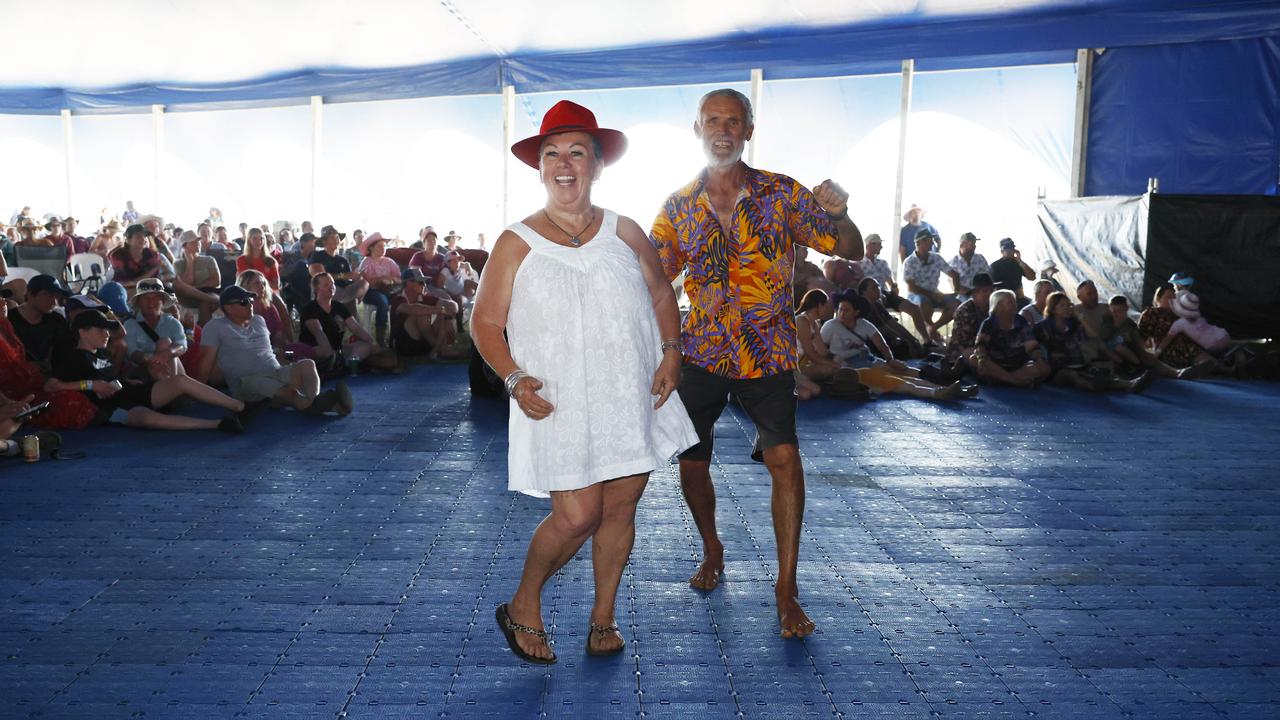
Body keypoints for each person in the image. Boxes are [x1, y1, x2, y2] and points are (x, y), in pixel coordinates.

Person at [472, 100, 697, 665]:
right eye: (552, 154)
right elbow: (484, 322)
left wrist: (672, 351)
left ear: (598, 164)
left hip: (629, 392)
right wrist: (513, 376)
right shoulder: (516, 241)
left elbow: (662, 292)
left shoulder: (625, 231)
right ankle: (524, 603)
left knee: (621, 509)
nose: (563, 164)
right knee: (577, 514)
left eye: (577, 152)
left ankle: (603, 619)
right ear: (540, 167)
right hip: (557, 400)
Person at [651, 88, 864, 640]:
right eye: (712, 120)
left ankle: (786, 588)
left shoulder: (782, 193)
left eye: (734, 120)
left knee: (786, 460)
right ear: (697, 129)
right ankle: (712, 546)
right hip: (700, 352)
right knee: (692, 464)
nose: (723, 129)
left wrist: (841, 211)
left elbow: (849, 247)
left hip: (768, 351)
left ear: (749, 130)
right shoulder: (676, 206)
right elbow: (650, 275)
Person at [48, 309, 248, 432]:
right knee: (146, 419)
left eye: (107, 329)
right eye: (100, 329)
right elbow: (51, 387)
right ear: (82, 332)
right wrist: (90, 385)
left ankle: (240, 407)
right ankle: (217, 424)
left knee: (180, 381)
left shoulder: (102, 354)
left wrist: (123, 379)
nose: (107, 333)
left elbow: (108, 375)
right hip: (112, 408)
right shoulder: (74, 357)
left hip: (129, 392)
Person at [196, 285, 350, 417]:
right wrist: (198, 395)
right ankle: (321, 404)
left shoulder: (258, 320)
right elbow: (205, 364)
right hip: (247, 381)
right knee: (290, 393)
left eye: (250, 300)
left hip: (275, 371)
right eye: (243, 302)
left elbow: (269, 351)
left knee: (308, 364)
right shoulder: (215, 327)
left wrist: (289, 357)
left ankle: (316, 401)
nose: (250, 304)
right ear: (228, 308)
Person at [820, 294, 975, 401]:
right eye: (840, 309)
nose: (841, 313)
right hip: (852, 367)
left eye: (846, 309)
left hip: (868, 359)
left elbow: (881, 344)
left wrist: (890, 360)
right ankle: (936, 392)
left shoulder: (863, 324)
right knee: (902, 380)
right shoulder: (830, 326)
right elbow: (820, 349)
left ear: (856, 312)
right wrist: (834, 365)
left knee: (908, 370)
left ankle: (949, 385)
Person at [1036, 292, 1153, 393]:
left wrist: (1080, 318)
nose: (1067, 308)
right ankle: (1091, 386)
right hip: (1057, 369)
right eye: (1062, 306)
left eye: (1068, 305)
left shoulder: (1073, 324)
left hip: (1078, 364)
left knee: (1098, 373)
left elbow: (1092, 335)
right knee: (1072, 376)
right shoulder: (1043, 327)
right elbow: (1035, 346)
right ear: (1053, 308)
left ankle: (1130, 384)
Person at [300, 272, 375, 375]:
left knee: (365, 346)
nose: (331, 287)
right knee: (320, 351)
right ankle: (335, 364)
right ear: (316, 289)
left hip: (338, 350)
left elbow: (356, 328)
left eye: (332, 284)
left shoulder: (339, 306)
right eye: (326, 285)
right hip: (318, 349)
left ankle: (345, 365)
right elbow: (319, 333)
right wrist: (330, 354)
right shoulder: (310, 309)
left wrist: (372, 343)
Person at [857, 233, 929, 340]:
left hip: (885, 293)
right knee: (878, 302)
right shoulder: (858, 263)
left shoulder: (882, 262)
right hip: (871, 295)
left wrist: (894, 288)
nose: (881, 247)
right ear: (869, 245)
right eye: (878, 244)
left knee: (914, 308)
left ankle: (927, 340)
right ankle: (893, 333)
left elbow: (890, 282)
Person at [973, 289, 1049, 387]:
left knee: (1044, 368)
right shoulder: (989, 323)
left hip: (1017, 365)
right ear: (998, 306)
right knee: (974, 359)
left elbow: (1032, 346)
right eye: (1010, 302)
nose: (1015, 305)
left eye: (1014, 302)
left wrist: (1039, 359)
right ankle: (1015, 381)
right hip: (995, 364)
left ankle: (1002, 379)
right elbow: (980, 344)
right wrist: (981, 359)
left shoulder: (1020, 321)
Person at [123, 278, 188, 380]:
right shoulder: (129, 325)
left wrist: (167, 353)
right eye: (146, 298)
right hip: (143, 372)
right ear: (139, 302)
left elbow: (182, 345)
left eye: (155, 298)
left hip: (171, 368)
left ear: (162, 300)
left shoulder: (172, 322)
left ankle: (172, 385)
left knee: (165, 343)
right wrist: (152, 358)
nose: (151, 302)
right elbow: (132, 353)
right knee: (164, 343)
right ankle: (173, 386)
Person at [902, 229, 959, 344]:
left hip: (935, 293)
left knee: (957, 304)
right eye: (929, 241)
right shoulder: (909, 262)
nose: (932, 243)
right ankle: (928, 337)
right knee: (924, 302)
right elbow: (911, 288)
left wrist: (956, 291)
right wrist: (932, 294)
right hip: (916, 295)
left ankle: (933, 328)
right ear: (920, 243)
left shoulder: (936, 258)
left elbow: (954, 274)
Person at [390, 269, 461, 360]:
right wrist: (441, 310)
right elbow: (412, 309)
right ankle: (440, 350)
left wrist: (448, 315)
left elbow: (452, 304)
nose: (425, 285)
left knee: (444, 315)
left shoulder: (424, 297)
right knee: (422, 314)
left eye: (424, 282)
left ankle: (438, 350)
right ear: (409, 283)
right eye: (421, 282)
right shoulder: (397, 298)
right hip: (405, 345)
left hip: (425, 342)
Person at [9, 274, 70, 372]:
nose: (54, 302)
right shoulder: (9, 319)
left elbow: (64, 353)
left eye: (57, 296)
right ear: (30, 294)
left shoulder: (57, 320)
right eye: (47, 295)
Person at [1139, 283, 1207, 370]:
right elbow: (1141, 336)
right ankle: (1189, 370)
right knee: (1197, 357)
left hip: (1189, 345)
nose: (1172, 300)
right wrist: (1149, 354)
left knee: (1205, 358)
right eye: (1168, 297)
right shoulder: (1151, 313)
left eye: (1173, 297)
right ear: (1158, 299)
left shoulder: (1179, 313)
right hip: (1167, 350)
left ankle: (1224, 369)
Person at [858, 277, 924, 360]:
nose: (878, 289)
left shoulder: (877, 305)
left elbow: (893, 324)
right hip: (870, 344)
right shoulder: (863, 307)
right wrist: (904, 340)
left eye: (878, 286)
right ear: (864, 292)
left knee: (912, 345)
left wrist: (913, 339)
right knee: (903, 346)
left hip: (882, 338)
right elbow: (881, 330)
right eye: (874, 288)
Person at [357, 232, 402, 347]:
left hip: (388, 290)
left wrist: (390, 279)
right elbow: (366, 283)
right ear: (371, 248)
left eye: (384, 246)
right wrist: (381, 279)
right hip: (371, 292)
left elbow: (399, 279)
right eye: (380, 246)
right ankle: (380, 338)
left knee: (400, 301)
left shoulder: (389, 262)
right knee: (383, 302)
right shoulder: (366, 263)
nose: (383, 249)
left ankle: (398, 336)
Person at [944, 273, 996, 369]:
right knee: (983, 357)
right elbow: (967, 342)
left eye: (991, 290)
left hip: (986, 347)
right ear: (974, 294)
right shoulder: (965, 311)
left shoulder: (994, 308)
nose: (989, 294)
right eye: (985, 291)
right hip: (964, 351)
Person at [308, 226, 369, 309]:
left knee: (364, 283)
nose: (336, 240)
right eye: (332, 238)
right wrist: (343, 275)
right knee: (347, 301)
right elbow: (319, 277)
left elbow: (349, 277)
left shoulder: (342, 260)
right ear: (324, 241)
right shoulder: (317, 256)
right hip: (327, 291)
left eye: (337, 237)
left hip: (345, 291)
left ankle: (345, 306)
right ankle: (341, 308)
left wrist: (357, 276)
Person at [237, 269, 295, 354]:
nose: (262, 286)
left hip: (274, 348)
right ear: (245, 286)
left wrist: (277, 348)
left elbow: (279, 330)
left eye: (263, 283)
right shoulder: (239, 309)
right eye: (257, 283)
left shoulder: (269, 306)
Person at [172, 230, 222, 324]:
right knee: (178, 284)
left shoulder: (209, 260)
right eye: (193, 242)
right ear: (185, 246)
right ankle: (218, 302)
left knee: (205, 304)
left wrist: (196, 288)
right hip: (188, 298)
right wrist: (190, 263)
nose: (198, 244)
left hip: (209, 292)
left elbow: (216, 281)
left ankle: (203, 335)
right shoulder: (178, 264)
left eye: (198, 241)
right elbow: (186, 285)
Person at [794, 289, 841, 388]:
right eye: (826, 306)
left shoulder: (814, 323)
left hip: (801, 365)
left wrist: (838, 361)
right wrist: (834, 365)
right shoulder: (801, 321)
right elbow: (810, 353)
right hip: (789, 368)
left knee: (832, 368)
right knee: (827, 370)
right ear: (819, 305)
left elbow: (822, 351)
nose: (828, 309)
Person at [988, 238, 1035, 304]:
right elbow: (992, 288)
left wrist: (1020, 261)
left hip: (1020, 298)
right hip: (1004, 301)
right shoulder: (995, 266)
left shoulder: (1018, 263)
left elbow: (1032, 277)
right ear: (1002, 251)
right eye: (1007, 249)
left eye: (1011, 249)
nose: (1010, 251)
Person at [949, 232, 991, 300]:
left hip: (982, 293)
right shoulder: (953, 262)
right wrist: (972, 293)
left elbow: (988, 278)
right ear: (962, 245)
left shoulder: (980, 258)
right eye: (971, 244)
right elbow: (955, 287)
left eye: (974, 244)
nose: (974, 246)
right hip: (963, 295)